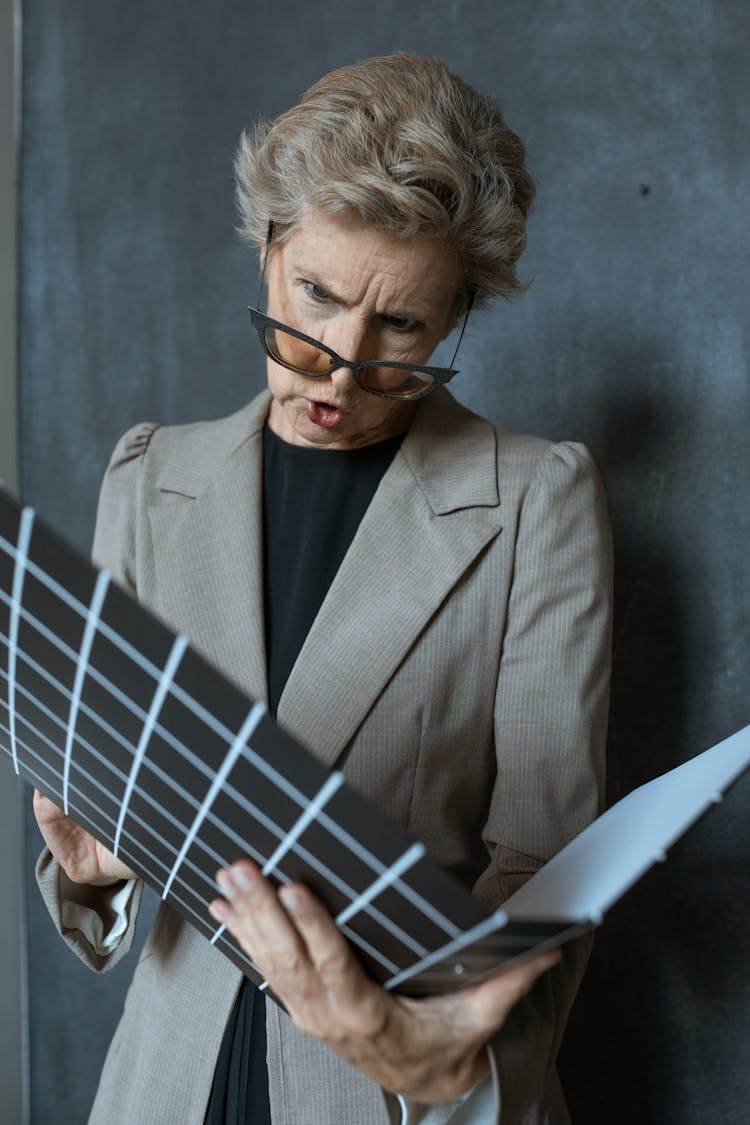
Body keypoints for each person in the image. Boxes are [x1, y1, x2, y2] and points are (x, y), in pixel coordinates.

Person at [33, 52, 612, 1124]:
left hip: (386, 1083)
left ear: (459, 317)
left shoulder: (537, 499)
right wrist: (101, 875)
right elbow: (112, 834)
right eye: (316, 296)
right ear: (267, 250)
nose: (341, 372)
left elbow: (546, 867)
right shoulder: (148, 476)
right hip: (166, 1083)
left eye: (402, 329)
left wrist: (418, 1049)